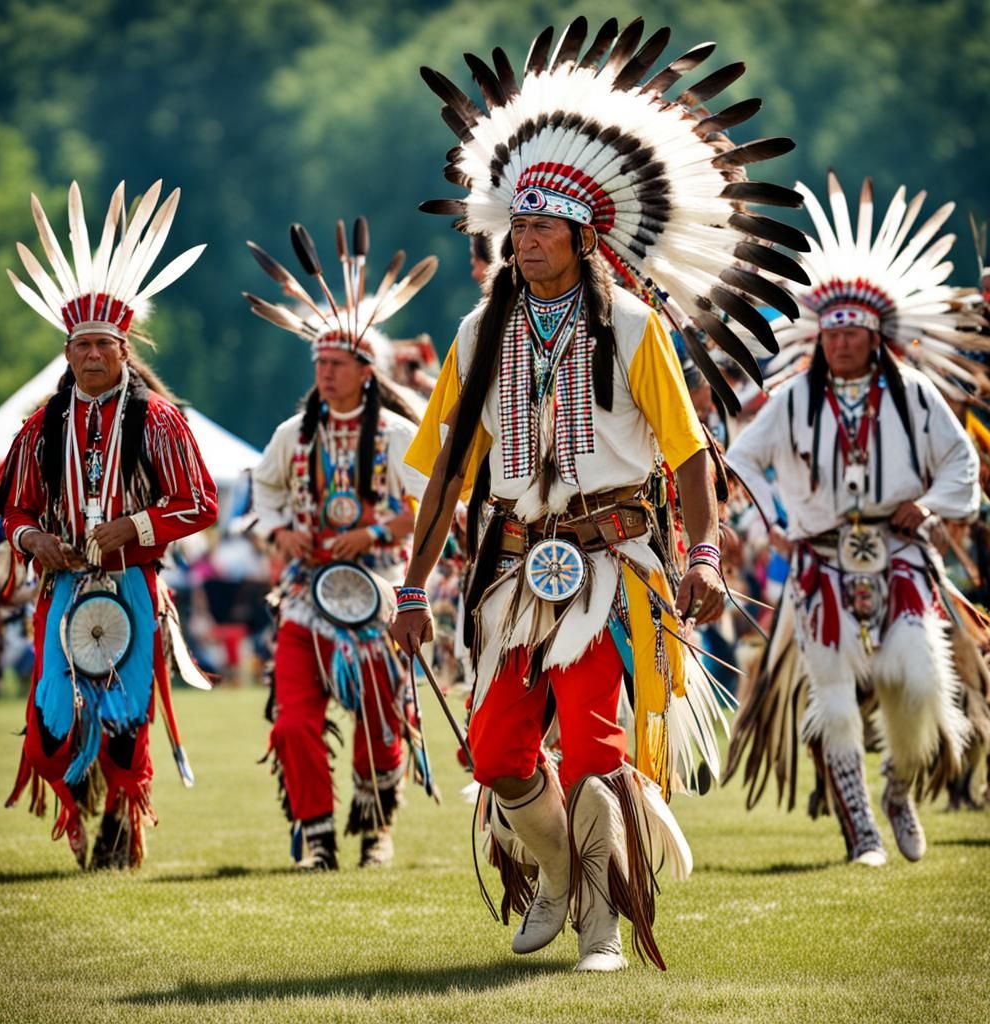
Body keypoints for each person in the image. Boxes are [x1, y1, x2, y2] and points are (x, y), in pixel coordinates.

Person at [390, 16, 806, 972]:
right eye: (517, 225)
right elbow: (449, 475)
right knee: (495, 753)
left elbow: (690, 456)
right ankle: (564, 876)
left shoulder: (631, 326)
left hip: (613, 564)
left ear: (581, 235)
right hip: (513, 573)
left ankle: (602, 920)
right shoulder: (475, 334)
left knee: (593, 745)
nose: (524, 239)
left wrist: (702, 554)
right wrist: (412, 589)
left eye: (541, 227)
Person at [724, 172, 986, 865]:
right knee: (834, 699)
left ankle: (899, 792)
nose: (842, 343)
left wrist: (928, 504)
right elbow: (740, 458)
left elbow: (961, 465)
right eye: (833, 332)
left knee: (921, 678)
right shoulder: (791, 402)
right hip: (818, 559)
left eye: (854, 333)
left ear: (874, 336)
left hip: (898, 550)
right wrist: (777, 517)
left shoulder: (913, 396)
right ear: (820, 338)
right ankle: (863, 830)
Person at [0, 180, 218, 868]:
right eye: (81, 344)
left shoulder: (157, 419)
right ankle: (83, 802)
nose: (92, 355)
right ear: (67, 353)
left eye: (103, 344)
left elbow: (200, 502)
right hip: (64, 588)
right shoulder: (41, 425)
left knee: (124, 712)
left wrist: (134, 528)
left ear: (124, 349)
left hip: (132, 585)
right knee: (56, 714)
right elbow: (15, 508)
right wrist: (36, 541)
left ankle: (124, 824)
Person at [244, 217, 435, 870]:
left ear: (365, 370)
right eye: (318, 363)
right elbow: (262, 492)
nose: (323, 373)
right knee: (293, 722)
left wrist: (376, 531)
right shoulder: (292, 435)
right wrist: (279, 529)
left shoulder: (396, 437)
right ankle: (316, 834)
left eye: (335, 363)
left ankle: (376, 824)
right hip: (304, 600)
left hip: (379, 594)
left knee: (382, 719)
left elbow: (439, 506)